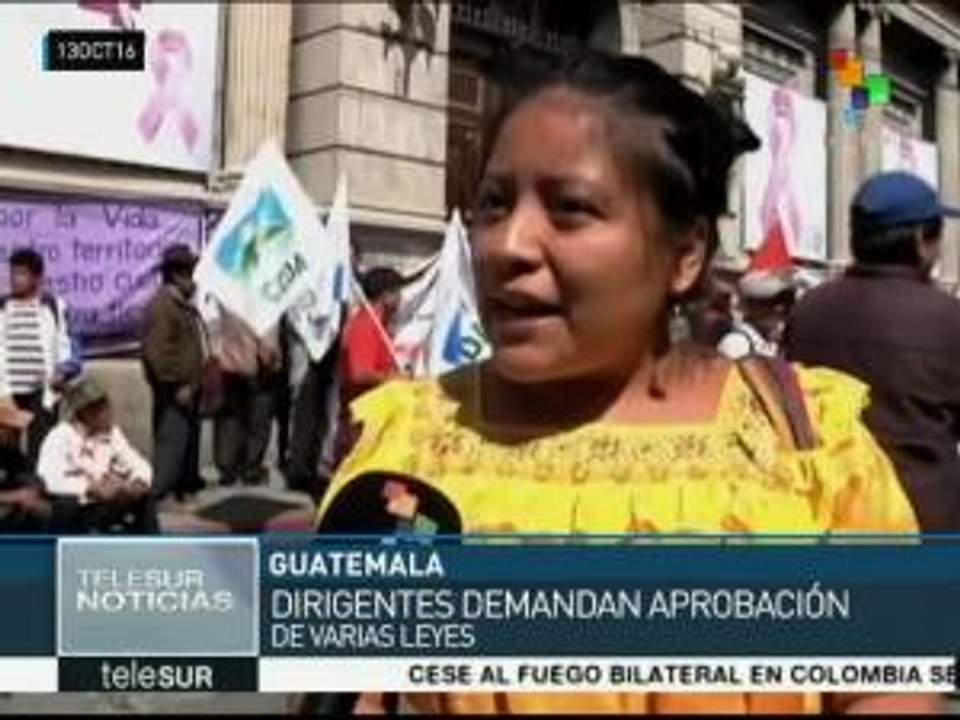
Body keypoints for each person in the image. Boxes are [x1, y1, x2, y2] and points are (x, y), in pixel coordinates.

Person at [315, 53, 933, 714]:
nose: (507, 245)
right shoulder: (408, 447)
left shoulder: (805, 441)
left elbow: (886, 688)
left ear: (685, 254)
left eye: (570, 209)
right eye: (493, 204)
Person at [785, 171, 960, 532]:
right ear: (921, 239)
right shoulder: (947, 319)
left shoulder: (808, 310)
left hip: (829, 517)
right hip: (925, 522)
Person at [37, 376, 157, 533]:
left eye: (106, 405)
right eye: (99, 409)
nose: (107, 413)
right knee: (66, 504)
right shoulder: (60, 436)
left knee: (144, 495)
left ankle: (151, 543)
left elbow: (137, 462)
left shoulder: (112, 433)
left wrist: (137, 483)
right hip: (78, 507)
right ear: (83, 413)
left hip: (105, 504)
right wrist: (89, 488)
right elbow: (48, 478)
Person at [0, 248, 81, 466]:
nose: (15, 279)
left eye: (21, 273)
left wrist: (63, 371)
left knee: (42, 451)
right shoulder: (2, 307)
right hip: (7, 394)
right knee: (7, 452)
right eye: (12, 273)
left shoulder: (54, 306)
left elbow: (72, 348)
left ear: (37, 277)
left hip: (41, 393)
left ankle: (38, 485)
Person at [142, 244, 208, 504]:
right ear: (175, 275)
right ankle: (161, 496)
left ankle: (184, 487)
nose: (193, 280)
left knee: (186, 444)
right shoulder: (163, 307)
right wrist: (177, 384)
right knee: (171, 443)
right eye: (188, 274)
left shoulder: (182, 305)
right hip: (174, 391)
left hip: (189, 389)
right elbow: (157, 354)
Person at [209, 305, 281, 487]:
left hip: (229, 365)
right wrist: (270, 360)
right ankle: (250, 469)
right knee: (258, 420)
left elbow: (214, 329)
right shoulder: (264, 301)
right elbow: (268, 342)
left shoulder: (227, 298)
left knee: (230, 419)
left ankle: (227, 468)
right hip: (256, 369)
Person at [340, 266, 405, 405]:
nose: (401, 298)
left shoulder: (381, 324)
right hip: (364, 407)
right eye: (397, 292)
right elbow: (359, 374)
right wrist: (393, 378)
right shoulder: (365, 324)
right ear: (385, 295)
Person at [719, 271, 796, 359]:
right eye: (773, 303)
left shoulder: (774, 343)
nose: (780, 310)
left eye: (787, 303)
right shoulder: (737, 343)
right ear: (752, 306)